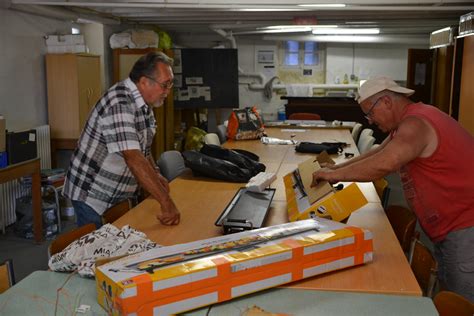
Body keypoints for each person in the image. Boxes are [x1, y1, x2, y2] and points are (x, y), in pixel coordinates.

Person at [311, 76, 474, 302]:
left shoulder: (416, 124)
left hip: (465, 226)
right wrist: (336, 168)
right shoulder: (406, 123)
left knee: (462, 302)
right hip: (451, 226)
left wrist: (333, 175)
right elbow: (376, 154)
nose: (369, 121)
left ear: (386, 101)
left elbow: (385, 164)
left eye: (370, 113)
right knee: (449, 293)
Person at [63, 51, 180, 229]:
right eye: (165, 85)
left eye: (170, 84)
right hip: (93, 193)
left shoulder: (143, 105)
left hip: (118, 193)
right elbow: (133, 156)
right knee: (95, 251)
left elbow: (142, 149)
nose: (167, 92)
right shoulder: (120, 104)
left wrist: (155, 173)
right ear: (143, 81)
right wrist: (166, 202)